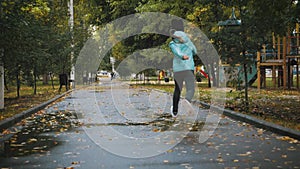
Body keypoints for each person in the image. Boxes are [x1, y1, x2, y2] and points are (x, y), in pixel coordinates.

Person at [169, 20, 197, 117]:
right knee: (191, 88)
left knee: (177, 89)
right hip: (189, 67)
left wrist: (181, 56)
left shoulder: (172, 42)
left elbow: (176, 51)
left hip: (178, 69)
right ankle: (187, 100)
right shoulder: (188, 40)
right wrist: (187, 54)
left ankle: (175, 111)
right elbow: (195, 51)